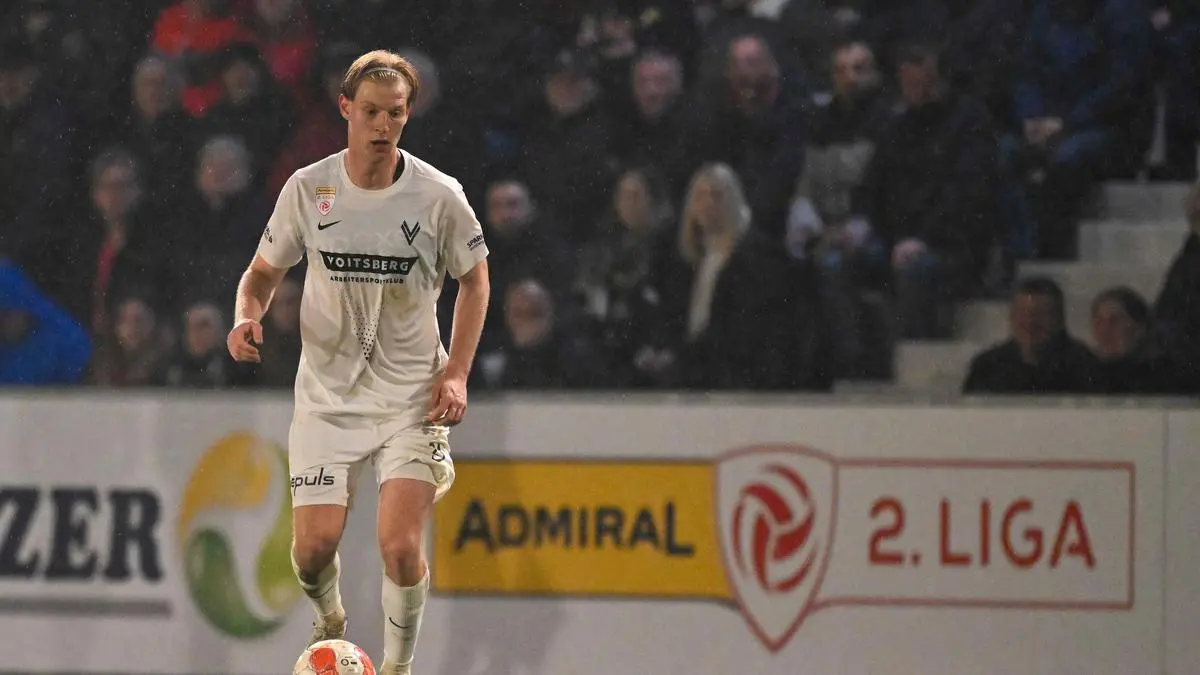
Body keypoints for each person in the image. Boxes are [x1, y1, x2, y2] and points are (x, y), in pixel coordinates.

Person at [225, 49, 490, 675]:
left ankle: (396, 669)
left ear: (408, 115)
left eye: (394, 113)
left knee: (399, 546)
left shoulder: (438, 196)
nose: (381, 125)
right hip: (328, 398)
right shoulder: (309, 188)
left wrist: (456, 373)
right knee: (312, 551)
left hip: (411, 397)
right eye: (370, 111)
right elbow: (261, 274)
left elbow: (475, 281)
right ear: (345, 108)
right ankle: (331, 621)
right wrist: (245, 317)